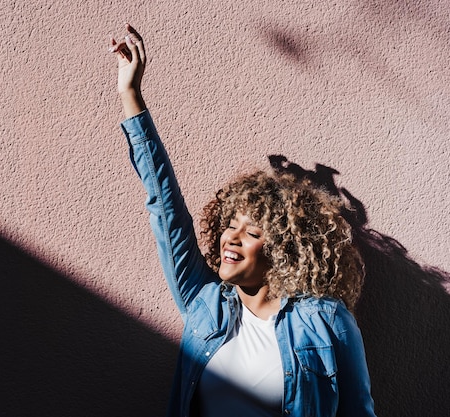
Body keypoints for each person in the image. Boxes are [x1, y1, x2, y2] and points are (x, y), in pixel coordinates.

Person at [109, 24, 376, 417]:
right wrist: (131, 96)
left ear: (284, 252)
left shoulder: (325, 320)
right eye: (230, 226)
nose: (231, 239)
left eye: (251, 232)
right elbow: (166, 209)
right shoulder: (204, 304)